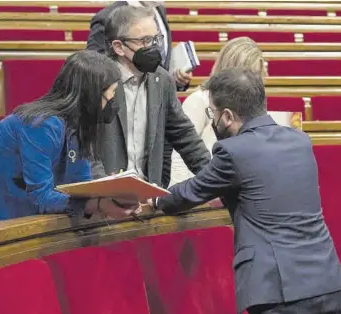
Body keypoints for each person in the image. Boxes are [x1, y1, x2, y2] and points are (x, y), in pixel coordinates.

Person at [152, 68, 341, 314]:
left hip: (280, 296)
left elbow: (190, 192)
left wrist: (153, 200)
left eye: (212, 113)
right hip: (329, 283)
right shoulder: (300, 141)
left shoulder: (233, 151)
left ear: (227, 116)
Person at [0, 50, 140, 224]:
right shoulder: (41, 124)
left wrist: (113, 195)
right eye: (110, 94)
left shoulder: (78, 125)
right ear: (90, 96)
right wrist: (99, 204)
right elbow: (41, 198)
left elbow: (82, 185)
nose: (112, 100)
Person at [91, 6, 210, 188]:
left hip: (149, 195)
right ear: (119, 47)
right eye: (145, 41)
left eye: (157, 39)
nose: (154, 47)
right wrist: (107, 189)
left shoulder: (162, 80)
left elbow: (184, 135)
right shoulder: (97, 81)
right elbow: (86, 147)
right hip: (107, 198)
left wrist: (214, 177)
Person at [169, 36, 266, 186]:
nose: (254, 84)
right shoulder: (199, 101)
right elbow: (179, 160)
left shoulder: (251, 105)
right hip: (199, 194)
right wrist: (180, 203)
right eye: (251, 75)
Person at [86, 1, 192, 90]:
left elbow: (161, 62)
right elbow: (95, 68)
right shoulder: (107, 16)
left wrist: (177, 80)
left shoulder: (158, 9)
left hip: (159, 103)